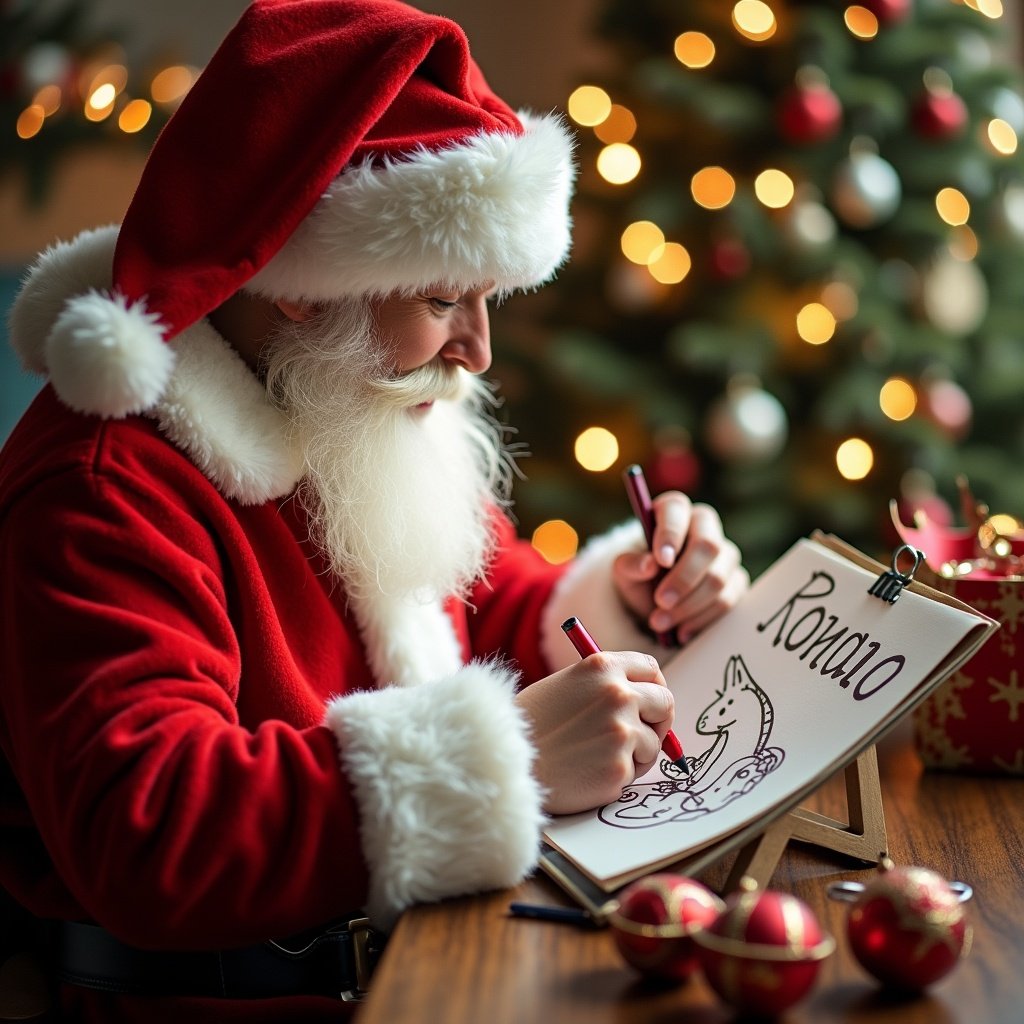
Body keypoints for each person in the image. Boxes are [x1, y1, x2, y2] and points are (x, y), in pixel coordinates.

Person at [0, 0, 748, 1019]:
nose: (478, 350)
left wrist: (625, 597)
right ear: (307, 282)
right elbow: (150, 830)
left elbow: (478, 601)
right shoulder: (103, 485)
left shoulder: (329, 390)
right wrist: (508, 760)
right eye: (446, 300)